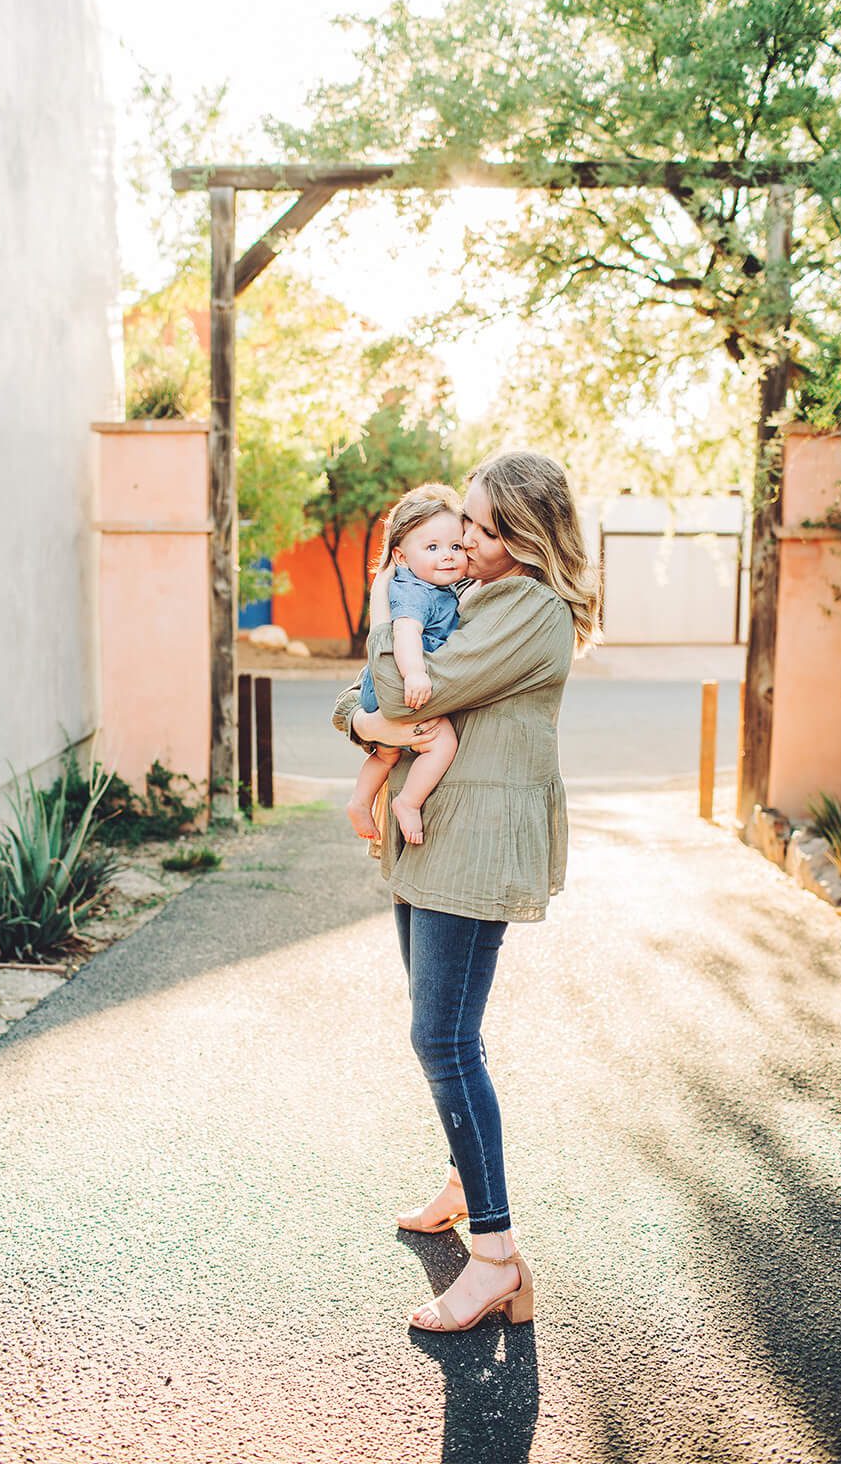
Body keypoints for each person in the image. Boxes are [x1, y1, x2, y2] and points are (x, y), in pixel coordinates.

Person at [330, 449, 600, 1333]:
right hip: (436, 840)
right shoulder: (476, 600)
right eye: (466, 527)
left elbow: (403, 688)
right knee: (446, 1029)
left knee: (441, 1038)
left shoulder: (528, 608)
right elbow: (383, 702)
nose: (467, 542)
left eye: (483, 527)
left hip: (474, 847)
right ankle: (462, 1178)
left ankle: (496, 1258)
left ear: (524, 534)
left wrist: (371, 690)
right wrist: (368, 715)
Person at [344, 485, 470, 848]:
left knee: (386, 752)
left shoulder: (433, 586)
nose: (446, 556)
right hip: (397, 681)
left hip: (379, 685)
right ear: (400, 557)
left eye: (455, 547)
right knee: (443, 742)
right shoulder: (416, 591)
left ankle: (359, 801)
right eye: (432, 548)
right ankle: (408, 801)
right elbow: (405, 633)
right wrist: (415, 673)